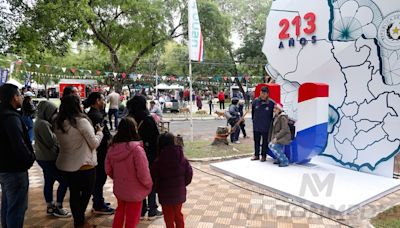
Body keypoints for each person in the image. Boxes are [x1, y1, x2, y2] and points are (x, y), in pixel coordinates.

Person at [54, 95, 103, 227]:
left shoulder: (58, 121)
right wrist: (100, 133)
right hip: (84, 164)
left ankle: (79, 220)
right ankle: (79, 220)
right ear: (76, 105)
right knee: (86, 193)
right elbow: (93, 143)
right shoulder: (81, 121)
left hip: (67, 165)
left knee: (74, 194)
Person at [106, 117, 153, 227]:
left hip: (119, 188)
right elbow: (143, 173)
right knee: (132, 218)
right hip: (135, 191)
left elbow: (108, 169)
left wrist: (118, 178)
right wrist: (148, 184)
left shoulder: (112, 148)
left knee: (120, 212)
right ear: (134, 129)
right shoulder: (137, 150)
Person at [0, 84, 36, 228]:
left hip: (4, 168)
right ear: (14, 97)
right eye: (19, 95)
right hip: (14, 170)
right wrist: (30, 158)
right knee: (16, 208)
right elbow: (18, 144)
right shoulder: (11, 118)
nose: (21, 97)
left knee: (8, 205)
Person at [126, 95, 163, 220]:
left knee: (138, 181)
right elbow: (156, 138)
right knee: (150, 182)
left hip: (133, 154)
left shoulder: (128, 119)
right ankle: (152, 209)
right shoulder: (148, 119)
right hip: (149, 155)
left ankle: (141, 210)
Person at [33, 100, 71, 218]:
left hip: (42, 157)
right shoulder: (43, 124)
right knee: (65, 181)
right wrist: (57, 133)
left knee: (49, 181)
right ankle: (58, 207)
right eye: (54, 112)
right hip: (48, 158)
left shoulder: (39, 121)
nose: (55, 114)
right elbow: (51, 142)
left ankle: (50, 206)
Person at [151, 132, 193, 228]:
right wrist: (182, 185)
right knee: (178, 215)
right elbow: (189, 175)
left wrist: (158, 189)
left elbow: (153, 178)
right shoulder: (182, 158)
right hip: (179, 193)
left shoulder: (158, 161)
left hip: (164, 195)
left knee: (168, 217)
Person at [84, 92, 115, 215]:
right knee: (100, 178)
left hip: (98, 150)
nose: (104, 102)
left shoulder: (93, 114)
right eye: (102, 99)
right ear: (97, 101)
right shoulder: (96, 116)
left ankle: (99, 200)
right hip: (100, 150)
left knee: (99, 178)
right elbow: (105, 134)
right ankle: (98, 204)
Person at [251, 86, 275, 162]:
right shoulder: (255, 102)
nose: (262, 95)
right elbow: (252, 113)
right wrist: (254, 121)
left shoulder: (271, 103)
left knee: (265, 142)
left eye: (264, 93)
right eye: (261, 93)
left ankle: (263, 156)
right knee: (256, 141)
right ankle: (256, 155)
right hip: (256, 125)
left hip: (266, 126)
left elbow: (273, 115)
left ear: (267, 94)